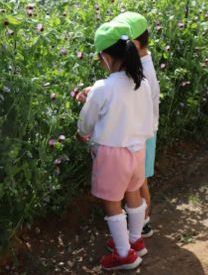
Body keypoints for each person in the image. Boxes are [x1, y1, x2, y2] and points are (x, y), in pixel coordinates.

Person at [77, 21, 153, 270]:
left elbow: (87, 119)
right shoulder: (142, 82)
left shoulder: (103, 87)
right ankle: (135, 240)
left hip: (112, 154)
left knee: (112, 202)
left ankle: (123, 255)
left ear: (106, 57)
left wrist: (82, 133)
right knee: (133, 193)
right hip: (137, 149)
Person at [114, 11, 160, 238]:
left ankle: (143, 223)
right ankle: (141, 221)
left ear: (134, 43)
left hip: (143, 134)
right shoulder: (141, 63)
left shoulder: (142, 71)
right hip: (142, 132)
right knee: (138, 181)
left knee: (140, 183)